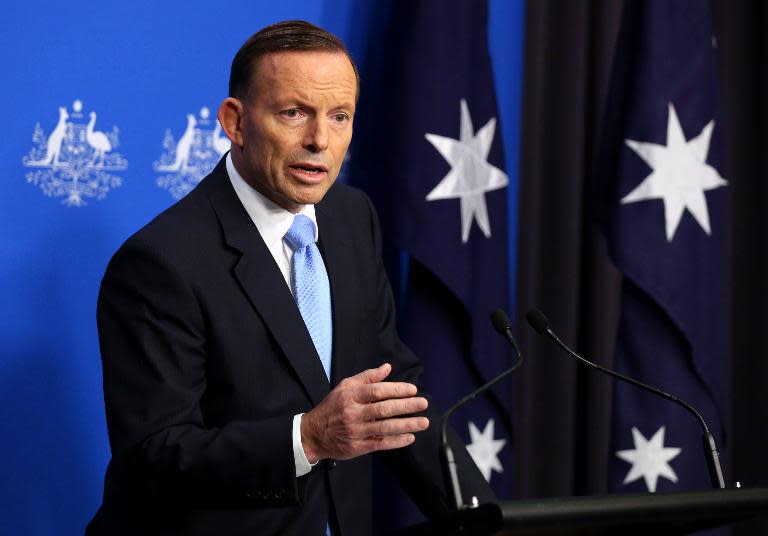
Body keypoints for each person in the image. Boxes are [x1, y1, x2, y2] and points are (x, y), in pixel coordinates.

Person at [87, 20, 494, 536]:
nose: (320, 140)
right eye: (294, 113)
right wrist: (308, 437)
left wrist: (489, 520)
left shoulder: (351, 217)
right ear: (235, 121)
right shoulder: (161, 263)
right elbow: (155, 456)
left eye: (339, 116)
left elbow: (394, 394)